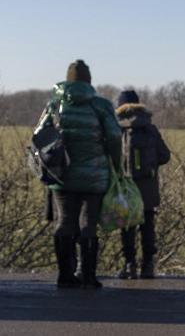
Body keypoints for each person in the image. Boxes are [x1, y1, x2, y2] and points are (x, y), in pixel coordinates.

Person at [40, 60, 122, 289]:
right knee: (89, 223)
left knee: (64, 221)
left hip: (60, 173)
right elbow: (115, 137)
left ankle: (64, 275)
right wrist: (115, 164)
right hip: (93, 175)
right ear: (89, 80)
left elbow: (39, 134)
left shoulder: (54, 104)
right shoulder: (101, 105)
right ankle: (88, 275)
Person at [115, 89, 171, 280]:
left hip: (125, 188)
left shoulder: (117, 129)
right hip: (148, 188)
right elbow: (165, 155)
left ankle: (129, 264)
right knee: (148, 227)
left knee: (127, 227)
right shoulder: (150, 128)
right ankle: (148, 266)